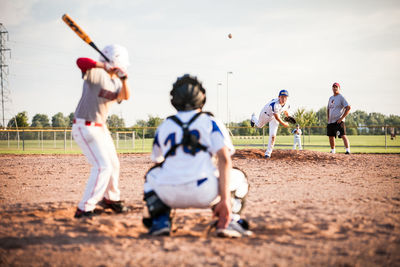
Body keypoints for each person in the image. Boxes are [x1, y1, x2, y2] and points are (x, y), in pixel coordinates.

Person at [143, 74, 251, 238]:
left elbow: (157, 159)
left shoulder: (165, 125)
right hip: (205, 193)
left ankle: (160, 221)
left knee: (151, 175)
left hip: (169, 194)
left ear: (174, 100)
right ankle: (228, 220)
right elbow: (224, 160)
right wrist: (224, 200)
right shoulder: (210, 121)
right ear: (202, 98)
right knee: (239, 177)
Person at [72, 44, 131, 218]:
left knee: (113, 164)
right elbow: (80, 61)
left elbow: (125, 97)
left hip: (101, 128)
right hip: (85, 125)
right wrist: (104, 66)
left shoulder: (115, 82)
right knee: (102, 166)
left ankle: (111, 199)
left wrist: (124, 79)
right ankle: (85, 208)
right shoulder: (95, 73)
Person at [250, 90, 290, 158]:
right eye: (282, 97)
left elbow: (285, 110)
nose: (284, 99)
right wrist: (284, 124)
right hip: (266, 114)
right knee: (259, 125)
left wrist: (288, 117)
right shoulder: (275, 104)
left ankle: (268, 153)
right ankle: (253, 118)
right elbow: (277, 118)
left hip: (274, 117)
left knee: (273, 135)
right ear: (279, 97)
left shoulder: (287, 104)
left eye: (285, 97)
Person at [327, 82, 351, 154]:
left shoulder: (341, 97)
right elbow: (328, 109)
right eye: (333, 87)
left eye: (336, 87)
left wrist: (341, 118)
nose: (334, 88)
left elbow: (348, 108)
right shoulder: (331, 98)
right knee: (331, 136)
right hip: (331, 121)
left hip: (339, 121)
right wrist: (328, 118)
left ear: (339, 88)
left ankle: (347, 150)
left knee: (343, 135)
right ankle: (333, 151)